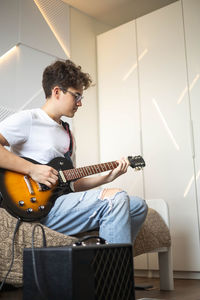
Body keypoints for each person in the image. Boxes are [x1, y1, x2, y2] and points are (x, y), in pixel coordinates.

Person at [0, 59, 147, 244]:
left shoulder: (68, 135)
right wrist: (32, 169)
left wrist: (108, 178)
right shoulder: (29, 119)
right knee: (116, 198)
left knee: (138, 207)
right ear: (56, 92)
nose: (80, 103)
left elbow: (72, 183)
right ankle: (112, 272)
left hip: (62, 202)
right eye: (76, 96)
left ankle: (103, 258)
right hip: (35, 206)